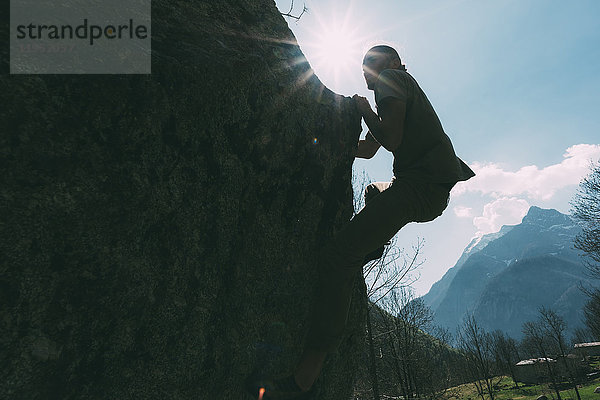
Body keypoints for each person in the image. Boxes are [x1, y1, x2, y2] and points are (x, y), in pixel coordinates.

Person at [247, 45, 475, 399]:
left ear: (395, 64)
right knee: (373, 190)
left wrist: (364, 108)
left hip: (419, 188)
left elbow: (391, 138)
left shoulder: (393, 80)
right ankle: (371, 245)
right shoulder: (397, 89)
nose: (366, 70)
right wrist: (331, 141)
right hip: (424, 189)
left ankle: (302, 380)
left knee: (338, 258)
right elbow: (369, 149)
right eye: (364, 64)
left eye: (372, 62)